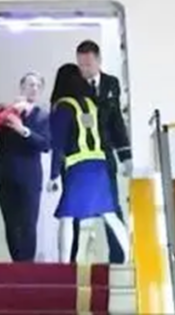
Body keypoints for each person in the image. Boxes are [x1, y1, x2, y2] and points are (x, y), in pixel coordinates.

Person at [47, 63, 130, 264]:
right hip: (99, 163)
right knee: (109, 213)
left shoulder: (64, 107)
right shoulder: (90, 104)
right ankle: (129, 257)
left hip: (77, 167)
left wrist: (54, 175)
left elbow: (58, 143)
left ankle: (64, 263)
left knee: (68, 215)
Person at [74, 39, 133, 264]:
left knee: (112, 207)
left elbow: (116, 121)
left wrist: (125, 155)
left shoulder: (111, 84)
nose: (85, 69)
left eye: (88, 64)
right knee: (79, 210)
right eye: (81, 65)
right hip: (81, 157)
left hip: (105, 154)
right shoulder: (73, 86)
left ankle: (119, 258)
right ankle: (76, 260)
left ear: (98, 61)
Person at [0, 72, 51, 262]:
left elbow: (45, 145)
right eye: (30, 84)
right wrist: (6, 113)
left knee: (28, 223)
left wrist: (23, 130)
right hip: (6, 175)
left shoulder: (43, 116)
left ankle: (27, 266)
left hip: (29, 178)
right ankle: (17, 264)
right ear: (21, 87)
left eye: (37, 86)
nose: (34, 89)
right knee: (11, 224)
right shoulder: (6, 111)